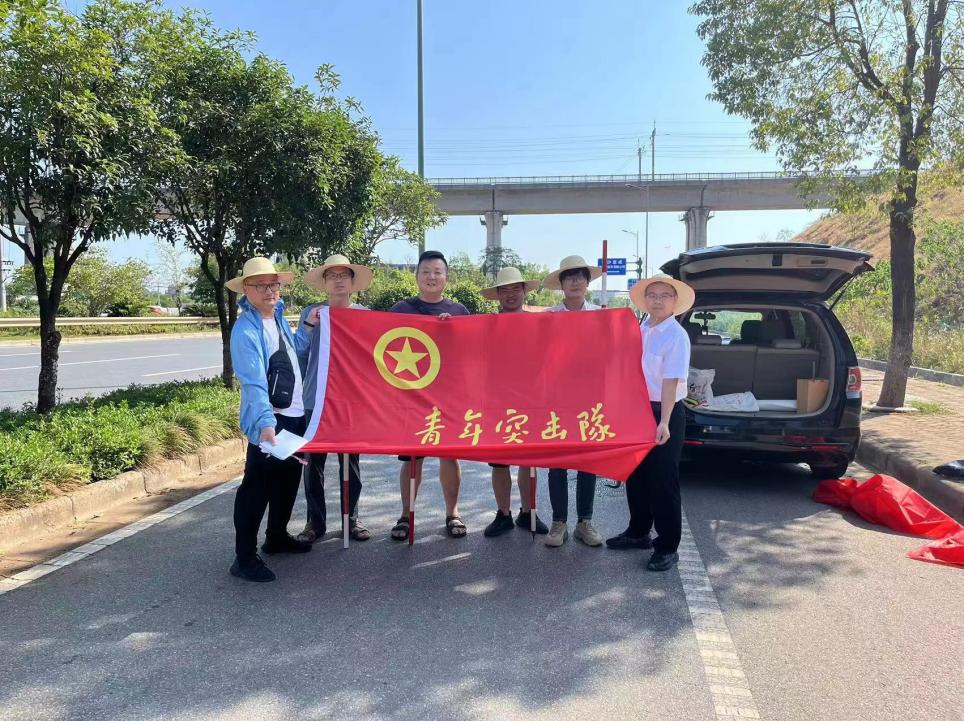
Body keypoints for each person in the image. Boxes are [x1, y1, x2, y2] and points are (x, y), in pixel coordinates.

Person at [227, 257, 312, 583]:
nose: (269, 291)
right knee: (256, 488)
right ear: (246, 290)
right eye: (260, 285)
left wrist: (308, 327)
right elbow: (253, 382)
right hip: (271, 421)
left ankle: (276, 536)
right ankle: (244, 558)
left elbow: (293, 353)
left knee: (287, 482)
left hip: (293, 415)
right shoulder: (246, 330)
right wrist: (266, 423)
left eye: (273, 284)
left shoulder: (277, 318)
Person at [607, 273, 694, 572]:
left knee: (663, 479)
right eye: (652, 295)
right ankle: (638, 532)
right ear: (645, 300)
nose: (658, 301)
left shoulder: (676, 336)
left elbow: (670, 382)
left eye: (664, 296)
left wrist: (665, 421)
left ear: (675, 301)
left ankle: (668, 546)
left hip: (663, 412)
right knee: (636, 474)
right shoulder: (642, 328)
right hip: (636, 409)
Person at [388, 250, 471, 540]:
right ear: (417, 276)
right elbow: (380, 343)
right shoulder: (400, 309)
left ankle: (453, 513)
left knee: (449, 455)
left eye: (437, 272)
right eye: (426, 272)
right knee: (412, 458)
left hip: (449, 396)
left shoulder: (459, 311)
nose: (431, 277)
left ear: (446, 277)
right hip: (411, 395)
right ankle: (405, 515)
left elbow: (471, 353)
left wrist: (454, 331)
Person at [294, 254, 374, 544]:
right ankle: (315, 522)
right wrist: (309, 327)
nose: (338, 281)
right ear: (325, 282)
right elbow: (299, 353)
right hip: (315, 397)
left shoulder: (364, 315)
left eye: (344, 275)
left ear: (352, 282)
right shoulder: (312, 313)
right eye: (332, 276)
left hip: (350, 400)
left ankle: (351, 518)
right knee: (313, 462)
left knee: (350, 462)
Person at [478, 267, 549, 537]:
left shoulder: (538, 323)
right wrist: (445, 325)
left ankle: (528, 512)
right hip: (497, 399)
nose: (510, 294)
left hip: (531, 400)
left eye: (515, 288)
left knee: (528, 460)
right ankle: (503, 513)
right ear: (497, 295)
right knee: (500, 461)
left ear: (524, 291)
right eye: (504, 290)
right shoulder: (487, 324)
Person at [542, 255, 605, 548]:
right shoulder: (548, 317)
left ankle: (584, 522)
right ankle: (559, 522)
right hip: (556, 400)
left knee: (587, 462)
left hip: (590, 400)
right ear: (562, 283)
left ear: (587, 282)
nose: (575, 281)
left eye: (580, 276)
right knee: (557, 462)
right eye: (569, 277)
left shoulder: (601, 318)